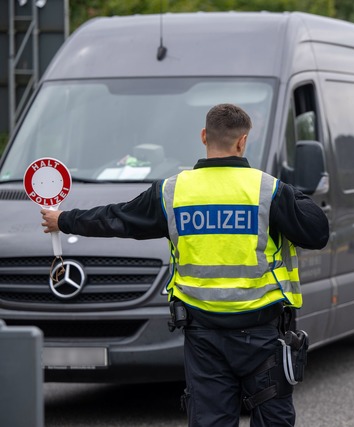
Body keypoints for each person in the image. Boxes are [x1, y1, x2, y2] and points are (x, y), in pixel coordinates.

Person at [41, 103, 330, 427]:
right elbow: (317, 232)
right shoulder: (267, 189)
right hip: (260, 335)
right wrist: (290, 193)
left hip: (203, 336)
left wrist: (63, 220)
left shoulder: (173, 191)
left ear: (204, 136)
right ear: (242, 142)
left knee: (210, 420)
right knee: (272, 419)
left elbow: (117, 219)